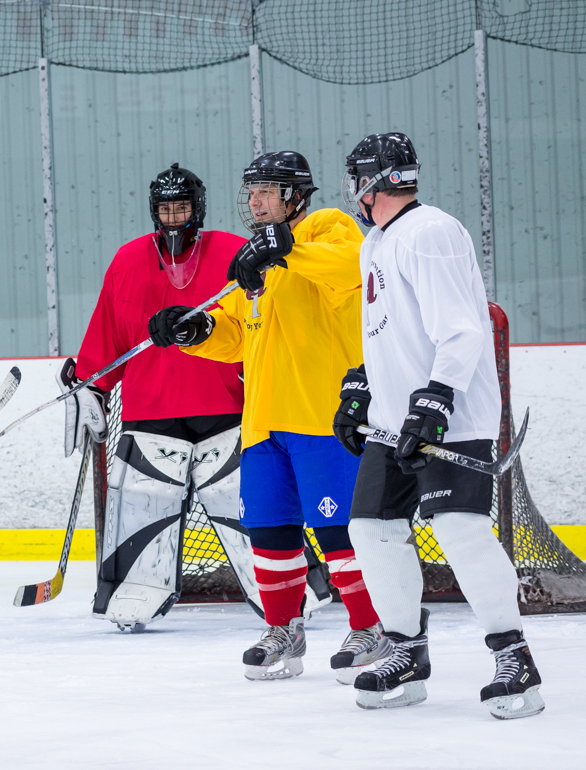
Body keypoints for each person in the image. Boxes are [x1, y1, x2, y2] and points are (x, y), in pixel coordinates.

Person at [150, 152, 386, 683]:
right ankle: (285, 629)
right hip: (262, 424)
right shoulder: (253, 263)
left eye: (266, 191)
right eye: (250, 191)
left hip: (321, 419)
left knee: (338, 531)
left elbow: (352, 267)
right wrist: (194, 332)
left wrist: (286, 249)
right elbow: (234, 333)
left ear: (295, 196)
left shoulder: (326, 228)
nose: (254, 201)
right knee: (269, 531)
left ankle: (370, 628)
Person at [335, 132, 543, 718]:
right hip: (393, 419)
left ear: (370, 181)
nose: (354, 190)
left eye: (356, 179)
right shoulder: (374, 242)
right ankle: (406, 651)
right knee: (371, 531)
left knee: (459, 530)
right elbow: (391, 330)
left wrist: (438, 399)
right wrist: (361, 384)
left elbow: (462, 329)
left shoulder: (433, 232)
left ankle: (515, 657)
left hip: (448, 414)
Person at [73, 163, 252, 632]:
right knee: (142, 506)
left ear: (199, 208)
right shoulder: (128, 260)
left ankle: (289, 588)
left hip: (228, 409)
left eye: (182, 208)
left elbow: (264, 326)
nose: (174, 218)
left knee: (248, 507)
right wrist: (92, 385)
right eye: (166, 209)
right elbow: (107, 336)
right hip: (150, 413)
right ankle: (134, 593)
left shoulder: (236, 254)